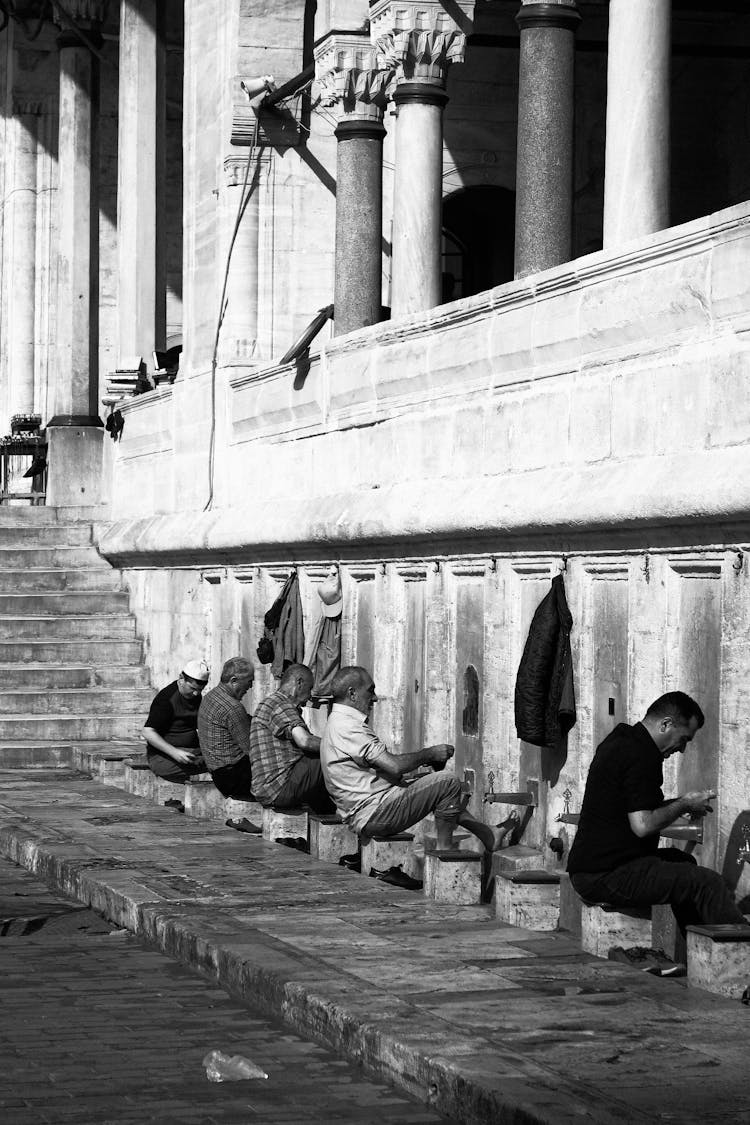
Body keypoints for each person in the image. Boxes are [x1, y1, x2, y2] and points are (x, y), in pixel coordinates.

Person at [567, 691, 748, 932]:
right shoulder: (642, 755)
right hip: (605, 874)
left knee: (684, 862)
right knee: (707, 883)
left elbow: (635, 808)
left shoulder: (622, 740)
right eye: (684, 739)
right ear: (666, 724)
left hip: (592, 869)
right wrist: (683, 804)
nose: (682, 749)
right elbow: (643, 825)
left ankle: (695, 951)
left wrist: (681, 803)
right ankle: (740, 952)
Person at [320, 666, 515, 851]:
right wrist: (430, 753)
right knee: (448, 783)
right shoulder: (347, 726)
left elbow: (380, 769)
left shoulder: (337, 722)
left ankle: (488, 834)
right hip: (374, 813)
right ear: (352, 694)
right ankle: (445, 852)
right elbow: (394, 766)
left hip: (370, 808)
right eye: (370, 691)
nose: (375, 698)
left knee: (432, 784)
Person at [249, 664, 335, 814]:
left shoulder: (271, 703)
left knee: (318, 764)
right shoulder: (281, 704)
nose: (309, 696)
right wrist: (341, 747)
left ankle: (327, 813)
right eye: (309, 689)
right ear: (299, 683)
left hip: (269, 789)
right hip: (279, 788)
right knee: (331, 758)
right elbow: (305, 741)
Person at [143, 659, 210, 783]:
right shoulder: (166, 700)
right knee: (219, 760)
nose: (196, 693)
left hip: (191, 750)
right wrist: (174, 753)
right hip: (164, 758)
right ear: (181, 678)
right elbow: (148, 732)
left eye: (200, 690)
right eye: (192, 688)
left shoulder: (194, 695)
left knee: (225, 752)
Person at [197, 657, 255, 799]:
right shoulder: (233, 707)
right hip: (233, 777)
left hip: (218, 772)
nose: (250, 686)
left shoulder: (210, 696)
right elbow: (251, 749)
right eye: (249, 681)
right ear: (234, 681)